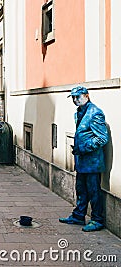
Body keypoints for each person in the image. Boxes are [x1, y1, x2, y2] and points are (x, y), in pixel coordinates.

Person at [59, 86, 108, 232]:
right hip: (82, 160)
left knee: (94, 191)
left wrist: (84, 147)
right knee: (81, 189)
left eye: (77, 97)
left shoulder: (95, 113)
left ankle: (97, 220)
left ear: (86, 96)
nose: (75, 100)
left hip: (92, 162)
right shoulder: (79, 112)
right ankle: (79, 215)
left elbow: (102, 138)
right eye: (73, 98)